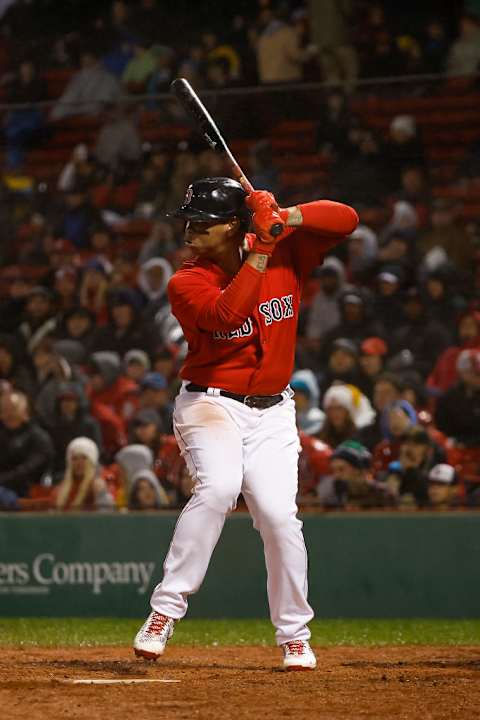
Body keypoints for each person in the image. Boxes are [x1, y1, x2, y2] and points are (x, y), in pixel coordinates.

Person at [133, 176, 358, 669]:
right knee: (218, 489)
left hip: (274, 411)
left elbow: (346, 218)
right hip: (210, 405)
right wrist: (263, 247)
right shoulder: (186, 280)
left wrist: (286, 216)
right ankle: (163, 612)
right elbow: (224, 313)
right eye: (188, 221)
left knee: (280, 518)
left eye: (204, 224)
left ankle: (294, 636)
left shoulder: (282, 249)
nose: (190, 231)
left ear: (235, 225)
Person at [55, 437, 114, 511]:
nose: (79, 463)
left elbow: (109, 515)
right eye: (74, 458)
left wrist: (101, 495)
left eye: (84, 458)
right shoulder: (61, 489)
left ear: (92, 461)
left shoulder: (103, 482)